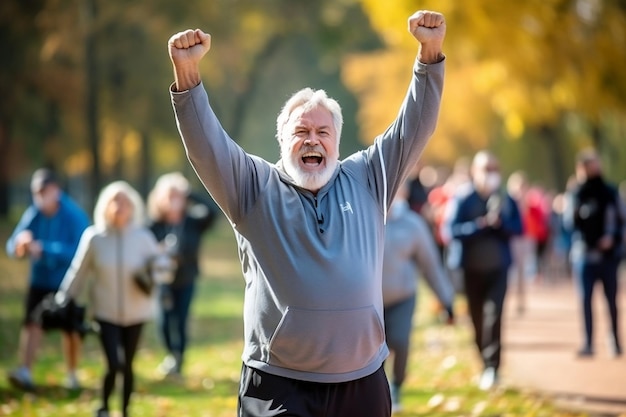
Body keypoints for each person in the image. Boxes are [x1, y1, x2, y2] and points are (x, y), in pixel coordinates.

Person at [168, 9, 446, 417]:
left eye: (322, 132)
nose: (312, 140)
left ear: (337, 140)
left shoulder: (369, 177)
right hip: (278, 383)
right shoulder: (253, 186)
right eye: (301, 131)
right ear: (282, 140)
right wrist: (188, 74)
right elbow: (206, 145)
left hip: (362, 379)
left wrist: (430, 54)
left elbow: (414, 127)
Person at [56, 181, 173, 417]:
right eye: (115, 200)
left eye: (125, 201)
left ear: (133, 207)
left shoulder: (143, 236)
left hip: (137, 312)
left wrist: (162, 264)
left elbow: (163, 271)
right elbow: (78, 271)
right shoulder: (94, 237)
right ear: (105, 205)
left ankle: (126, 410)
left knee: (128, 364)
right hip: (105, 312)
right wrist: (63, 297)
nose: (120, 206)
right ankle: (104, 407)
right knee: (113, 363)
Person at [444, 151, 523, 390]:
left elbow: (518, 228)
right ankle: (484, 361)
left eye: (494, 169)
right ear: (475, 172)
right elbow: (452, 231)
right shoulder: (463, 199)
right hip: (471, 270)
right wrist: (480, 226)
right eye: (485, 169)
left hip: (498, 268)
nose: (490, 174)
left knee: (494, 316)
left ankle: (493, 368)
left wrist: (500, 225)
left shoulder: (507, 199)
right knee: (477, 320)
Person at [5, 168, 90, 391]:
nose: (41, 196)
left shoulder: (73, 215)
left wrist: (45, 249)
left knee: (70, 330)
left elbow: (80, 250)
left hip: (67, 282)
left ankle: (72, 375)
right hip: (40, 280)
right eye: (37, 192)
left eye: (44, 190)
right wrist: (19, 246)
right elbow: (12, 244)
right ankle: (25, 371)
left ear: (56, 190)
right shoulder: (34, 213)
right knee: (32, 323)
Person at [382, 181, 455, 413]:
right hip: (369, 302)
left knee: (400, 341)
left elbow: (430, 266)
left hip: (402, 297)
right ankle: (378, 394)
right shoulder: (364, 217)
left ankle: (396, 386)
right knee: (373, 353)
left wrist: (446, 301)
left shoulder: (412, 224)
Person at [146, 172, 219, 377]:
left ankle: (179, 360)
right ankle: (171, 353)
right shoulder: (153, 224)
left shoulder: (193, 221)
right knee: (164, 321)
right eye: (169, 195)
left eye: (177, 195)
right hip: (162, 280)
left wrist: (190, 193)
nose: (173, 200)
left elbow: (214, 212)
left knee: (181, 319)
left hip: (186, 279)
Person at [564, 148, 623, 358]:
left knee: (611, 301)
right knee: (585, 300)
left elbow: (622, 221)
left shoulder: (610, 192)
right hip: (584, 256)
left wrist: (613, 239)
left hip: (608, 257)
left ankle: (615, 340)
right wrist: (575, 205)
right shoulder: (575, 193)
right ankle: (588, 342)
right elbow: (568, 224)